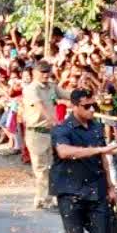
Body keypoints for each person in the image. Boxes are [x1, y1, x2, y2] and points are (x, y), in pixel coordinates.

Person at [51, 90, 117, 233]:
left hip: (96, 189)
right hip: (70, 192)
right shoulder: (62, 129)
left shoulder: (97, 128)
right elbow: (63, 152)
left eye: (94, 106)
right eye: (87, 106)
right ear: (75, 107)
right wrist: (99, 149)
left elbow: (103, 159)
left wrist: (110, 186)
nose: (92, 110)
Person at [20, 61, 69, 210]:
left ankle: (47, 197)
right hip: (37, 132)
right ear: (34, 73)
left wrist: (84, 95)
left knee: (53, 166)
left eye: (48, 71)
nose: (46, 74)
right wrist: (53, 120)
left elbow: (67, 94)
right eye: (42, 72)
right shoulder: (31, 89)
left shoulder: (52, 86)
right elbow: (40, 106)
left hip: (51, 132)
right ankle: (44, 199)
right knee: (41, 168)